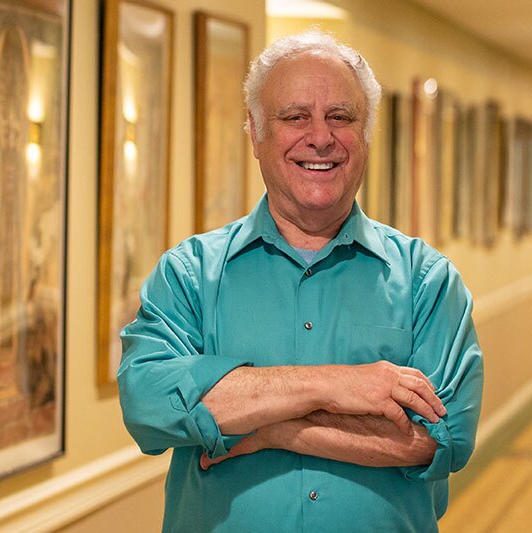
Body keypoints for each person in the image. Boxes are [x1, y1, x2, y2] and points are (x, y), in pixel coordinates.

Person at [117, 29, 484, 532]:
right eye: (295, 117)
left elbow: (444, 438)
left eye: (341, 117)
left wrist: (272, 430)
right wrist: (338, 385)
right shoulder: (189, 274)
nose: (320, 137)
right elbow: (149, 403)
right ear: (254, 131)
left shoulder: (427, 281)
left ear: (366, 133)